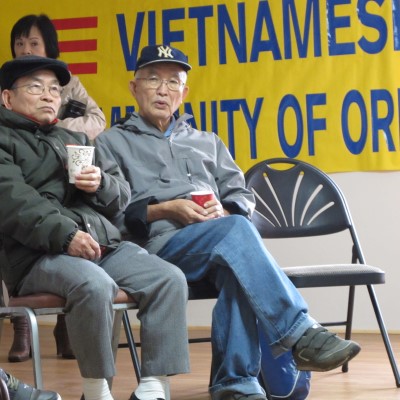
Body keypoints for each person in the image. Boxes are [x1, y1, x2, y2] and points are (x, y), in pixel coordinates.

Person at [96, 44, 362, 400]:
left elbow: (241, 194)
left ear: (184, 92)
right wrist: (168, 209)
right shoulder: (111, 142)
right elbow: (113, 212)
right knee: (237, 236)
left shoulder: (208, 142)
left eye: (173, 82)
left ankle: (236, 384)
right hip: (158, 249)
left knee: (238, 263)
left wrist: (227, 211)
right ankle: (300, 333)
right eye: (153, 79)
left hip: (218, 241)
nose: (163, 90)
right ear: (134, 87)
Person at [0, 54, 190, 400]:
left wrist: (100, 182)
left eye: (55, 90)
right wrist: (67, 235)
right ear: (7, 98)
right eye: (36, 87)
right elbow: (14, 202)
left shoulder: (77, 139)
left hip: (101, 245)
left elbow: (121, 197)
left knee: (168, 278)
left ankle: (153, 387)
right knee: (94, 285)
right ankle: (96, 389)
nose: (48, 96)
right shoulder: (3, 140)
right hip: (35, 256)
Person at [7, 13, 107, 362]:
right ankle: (22, 326)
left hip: (63, 171)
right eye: (19, 44)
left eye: (33, 43)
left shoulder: (70, 85)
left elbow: (97, 120)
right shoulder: (10, 86)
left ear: (49, 46)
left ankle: (67, 327)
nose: (24, 49)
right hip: (23, 180)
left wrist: (57, 125)